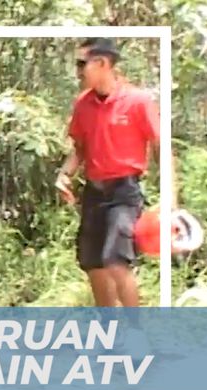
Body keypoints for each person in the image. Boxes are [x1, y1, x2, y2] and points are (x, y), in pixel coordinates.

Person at [55, 38, 171, 307]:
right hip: (94, 192)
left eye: (81, 64)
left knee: (116, 261)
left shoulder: (138, 101)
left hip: (124, 192)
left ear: (103, 63)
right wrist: (65, 175)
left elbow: (161, 148)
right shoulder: (83, 104)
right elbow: (80, 149)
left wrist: (169, 200)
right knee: (93, 265)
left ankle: (134, 332)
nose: (78, 71)